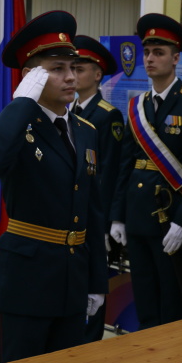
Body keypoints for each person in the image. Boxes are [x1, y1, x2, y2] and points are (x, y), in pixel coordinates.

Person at [0, 11, 108, 363]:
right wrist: (22, 102)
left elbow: (91, 212)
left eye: (73, 67)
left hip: (72, 279)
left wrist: (97, 280)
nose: (69, 77)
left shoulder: (86, 130)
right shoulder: (12, 126)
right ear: (30, 76)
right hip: (25, 283)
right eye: (56, 69)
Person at [110, 13, 182, 329]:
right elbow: (125, 165)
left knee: (172, 302)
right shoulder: (136, 106)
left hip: (170, 220)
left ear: (176, 58)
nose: (151, 59)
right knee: (144, 300)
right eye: (147, 52)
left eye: (159, 52)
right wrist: (118, 215)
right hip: (138, 217)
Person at [71, 34, 123, 343]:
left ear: (97, 74)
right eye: (71, 68)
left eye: (80, 68)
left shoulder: (107, 116)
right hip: (72, 215)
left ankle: (89, 346)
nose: (73, 74)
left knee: (93, 286)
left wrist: (104, 223)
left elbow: (109, 175)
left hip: (94, 218)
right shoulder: (68, 112)